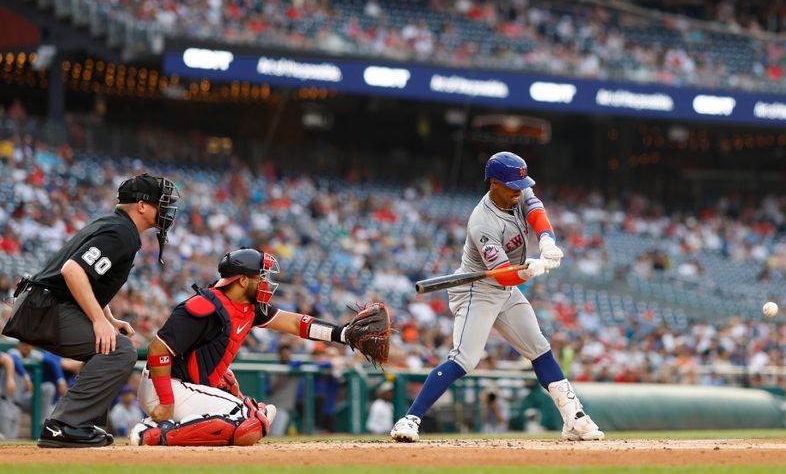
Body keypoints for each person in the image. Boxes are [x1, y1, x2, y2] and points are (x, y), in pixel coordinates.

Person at [391, 151, 604, 442]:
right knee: (464, 359)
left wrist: (547, 241)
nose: (519, 191)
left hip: (505, 289)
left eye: (521, 186)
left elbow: (537, 214)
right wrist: (530, 271)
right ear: (494, 183)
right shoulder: (482, 222)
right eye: (511, 187)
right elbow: (503, 273)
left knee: (539, 348)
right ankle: (409, 420)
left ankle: (574, 418)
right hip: (477, 290)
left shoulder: (519, 189)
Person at [130, 247, 388, 447]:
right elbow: (158, 349)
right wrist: (165, 401)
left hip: (185, 386)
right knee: (252, 421)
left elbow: (297, 323)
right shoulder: (204, 307)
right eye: (260, 276)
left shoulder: (250, 308)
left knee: (246, 398)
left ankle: (168, 425)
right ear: (242, 281)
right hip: (166, 387)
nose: (266, 282)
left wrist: (342, 334)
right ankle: (154, 434)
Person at [1, 173, 179, 447]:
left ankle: (82, 426)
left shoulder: (117, 226)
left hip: (44, 303)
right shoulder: (121, 232)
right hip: (44, 307)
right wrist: (97, 320)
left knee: (109, 344)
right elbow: (73, 271)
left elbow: (89, 278)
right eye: (160, 203)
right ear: (142, 205)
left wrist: (108, 318)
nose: (165, 210)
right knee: (120, 350)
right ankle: (63, 426)